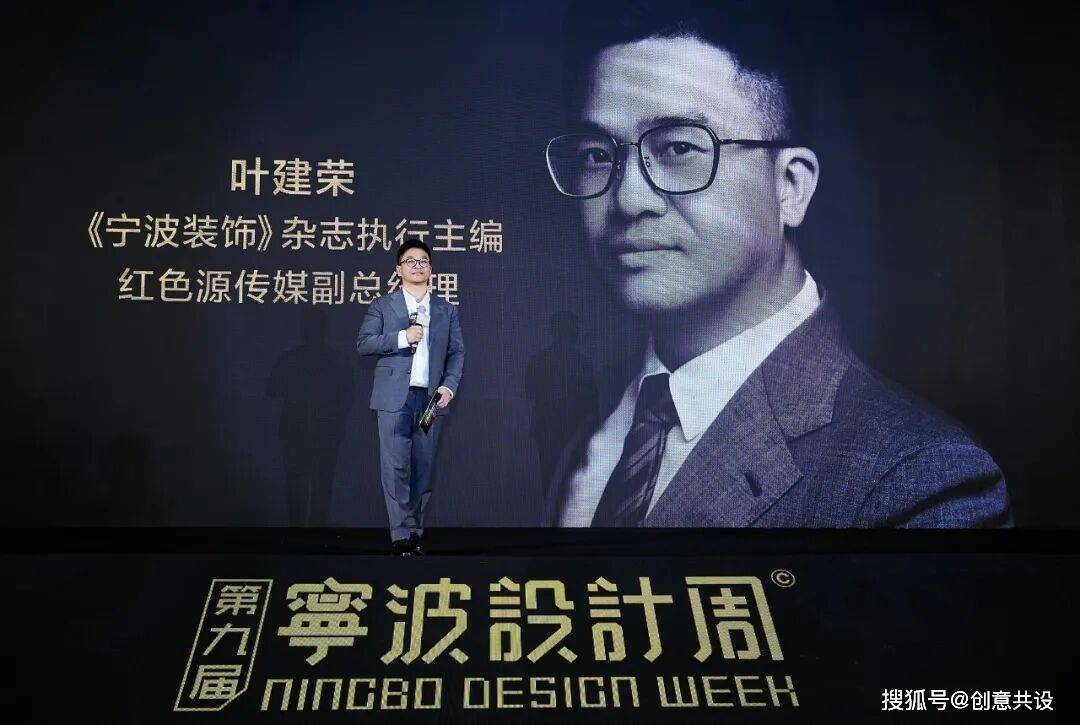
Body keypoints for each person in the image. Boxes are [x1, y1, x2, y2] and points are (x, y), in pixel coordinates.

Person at [541, 2, 1011, 528]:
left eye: (678, 148)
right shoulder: (594, 434)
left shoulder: (923, 480)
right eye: (596, 155)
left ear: (791, 187)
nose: (628, 200)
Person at [356, 240, 464, 553]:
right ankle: (400, 533)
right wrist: (403, 337)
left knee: (423, 468)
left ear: (431, 269)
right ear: (398, 269)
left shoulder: (445, 310)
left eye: (423, 260)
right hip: (394, 400)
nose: (418, 265)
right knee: (395, 467)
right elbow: (364, 343)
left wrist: (449, 386)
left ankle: (416, 529)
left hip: (430, 401)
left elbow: (456, 352)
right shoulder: (382, 305)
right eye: (410, 261)